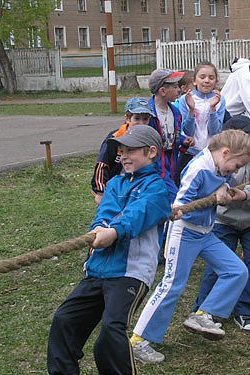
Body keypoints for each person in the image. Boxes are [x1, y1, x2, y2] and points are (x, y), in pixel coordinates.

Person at [47, 126, 171, 375]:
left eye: (131, 150)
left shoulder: (158, 189)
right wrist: (98, 230)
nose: (123, 155)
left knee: (111, 330)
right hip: (98, 269)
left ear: (152, 152)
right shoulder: (115, 183)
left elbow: (139, 214)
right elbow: (104, 214)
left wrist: (114, 232)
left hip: (130, 273)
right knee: (64, 321)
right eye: (121, 150)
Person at [130, 129, 250, 363]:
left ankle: (203, 314)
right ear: (226, 152)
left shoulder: (221, 165)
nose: (235, 171)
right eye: (236, 165)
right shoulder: (200, 167)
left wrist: (224, 190)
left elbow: (221, 183)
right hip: (185, 233)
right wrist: (212, 197)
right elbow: (180, 207)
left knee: (237, 271)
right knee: (171, 285)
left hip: (206, 234)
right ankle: (138, 340)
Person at [192, 115, 250, 332]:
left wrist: (243, 194)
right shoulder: (212, 162)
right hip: (223, 221)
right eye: (249, 136)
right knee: (216, 266)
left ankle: (245, 310)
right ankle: (203, 309)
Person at [91, 97, 155, 205]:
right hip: (110, 187)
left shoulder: (148, 138)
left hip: (133, 185)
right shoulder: (115, 138)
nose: (141, 123)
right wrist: (100, 192)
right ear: (128, 119)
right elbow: (102, 165)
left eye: (145, 119)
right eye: (137, 119)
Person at [176, 61, 226, 185]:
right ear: (194, 80)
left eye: (211, 77)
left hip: (211, 152)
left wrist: (212, 109)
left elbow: (215, 131)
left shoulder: (219, 99)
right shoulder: (185, 99)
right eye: (202, 77)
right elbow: (188, 131)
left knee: (208, 187)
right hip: (190, 152)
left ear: (216, 81)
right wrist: (191, 110)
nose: (207, 81)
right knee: (184, 184)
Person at [148, 68, 185, 202]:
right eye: (175, 87)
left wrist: (184, 141)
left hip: (171, 159)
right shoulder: (148, 113)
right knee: (173, 197)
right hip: (154, 162)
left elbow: (174, 136)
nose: (179, 90)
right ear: (163, 91)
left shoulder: (175, 113)